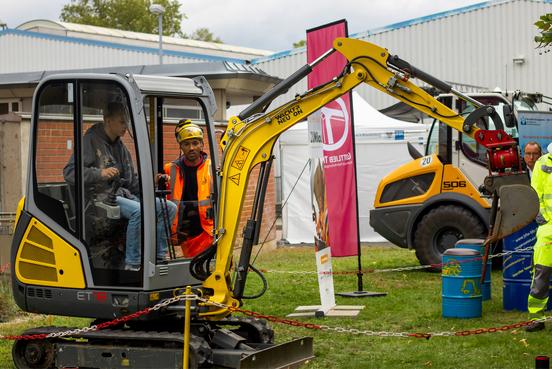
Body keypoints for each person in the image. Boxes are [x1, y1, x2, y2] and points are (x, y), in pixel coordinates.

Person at [64, 102, 176, 271]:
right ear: (108, 120)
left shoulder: (121, 147)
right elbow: (69, 172)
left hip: (123, 195)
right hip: (99, 200)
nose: (126, 126)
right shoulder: (90, 141)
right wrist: (100, 174)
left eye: (127, 122)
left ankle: (158, 256)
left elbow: (131, 182)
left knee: (168, 207)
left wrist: (150, 182)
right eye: (122, 122)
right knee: (139, 211)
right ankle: (133, 264)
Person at [164, 119, 213, 258]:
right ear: (181, 146)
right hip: (185, 231)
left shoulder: (212, 168)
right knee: (190, 272)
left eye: (195, 143)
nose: (191, 148)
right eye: (186, 144)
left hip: (207, 230)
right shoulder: (170, 169)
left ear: (202, 145)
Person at [525, 142, 552, 331]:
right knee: (541, 274)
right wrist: (541, 215)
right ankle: (537, 318)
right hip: (548, 229)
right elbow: (535, 195)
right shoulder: (543, 163)